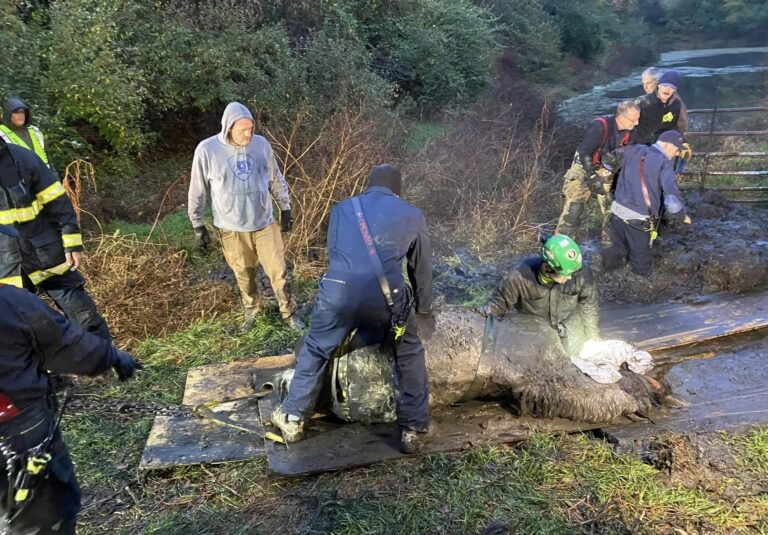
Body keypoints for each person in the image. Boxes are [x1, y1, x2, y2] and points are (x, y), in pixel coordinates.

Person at [271, 164, 433, 453]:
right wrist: (423, 308)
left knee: (317, 347)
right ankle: (413, 429)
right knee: (409, 351)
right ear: (397, 189)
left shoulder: (342, 208)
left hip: (338, 292)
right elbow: (420, 268)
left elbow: (336, 252)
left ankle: (294, 418)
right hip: (387, 300)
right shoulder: (412, 214)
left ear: (369, 184)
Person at [0, 223, 141, 535]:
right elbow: (69, 346)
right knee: (43, 517)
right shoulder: (10, 303)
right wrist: (113, 357)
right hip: (20, 433)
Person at [188, 101, 303, 331]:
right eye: (243, 130)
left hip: (264, 223)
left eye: (251, 128)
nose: (248, 134)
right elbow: (197, 190)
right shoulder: (207, 150)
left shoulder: (261, 145)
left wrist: (285, 207)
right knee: (244, 275)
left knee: (279, 272)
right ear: (228, 127)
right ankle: (252, 311)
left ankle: (289, 313)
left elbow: (275, 178)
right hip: (231, 228)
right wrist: (198, 225)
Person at [0, 137, 111, 340]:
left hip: (47, 256)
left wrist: (72, 243)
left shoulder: (23, 158)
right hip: (5, 269)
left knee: (84, 316)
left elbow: (58, 202)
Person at [477, 234, 599, 356]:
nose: (570, 277)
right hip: (535, 334)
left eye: (571, 273)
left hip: (570, 330)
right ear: (547, 267)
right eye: (564, 274)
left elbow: (588, 305)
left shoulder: (581, 273)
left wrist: (593, 337)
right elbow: (496, 307)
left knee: (577, 364)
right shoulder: (520, 277)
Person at [602, 130, 691, 276]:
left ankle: (606, 285)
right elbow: (672, 202)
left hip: (616, 214)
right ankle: (640, 296)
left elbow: (608, 160)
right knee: (642, 267)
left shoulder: (633, 149)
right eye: (677, 150)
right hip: (639, 221)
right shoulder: (664, 163)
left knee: (616, 255)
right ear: (668, 144)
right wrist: (683, 217)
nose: (676, 154)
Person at [556, 100, 640, 240]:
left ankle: (610, 245)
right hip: (583, 166)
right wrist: (592, 176)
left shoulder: (631, 132)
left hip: (607, 167)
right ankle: (562, 245)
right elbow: (585, 152)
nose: (637, 123)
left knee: (613, 209)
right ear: (622, 117)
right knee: (574, 209)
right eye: (633, 119)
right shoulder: (600, 126)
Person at [1, 98, 55, 172]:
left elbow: (48, 158)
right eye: (16, 112)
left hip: (44, 176)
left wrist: (54, 176)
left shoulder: (35, 131)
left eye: (22, 112)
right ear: (8, 114)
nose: (20, 115)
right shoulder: (1, 133)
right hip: (18, 179)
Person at [634, 70, 686, 145]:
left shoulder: (676, 104)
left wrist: (681, 142)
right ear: (659, 85)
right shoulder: (641, 102)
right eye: (665, 86)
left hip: (665, 146)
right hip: (643, 147)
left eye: (671, 87)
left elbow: (678, 125)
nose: (667, 90)